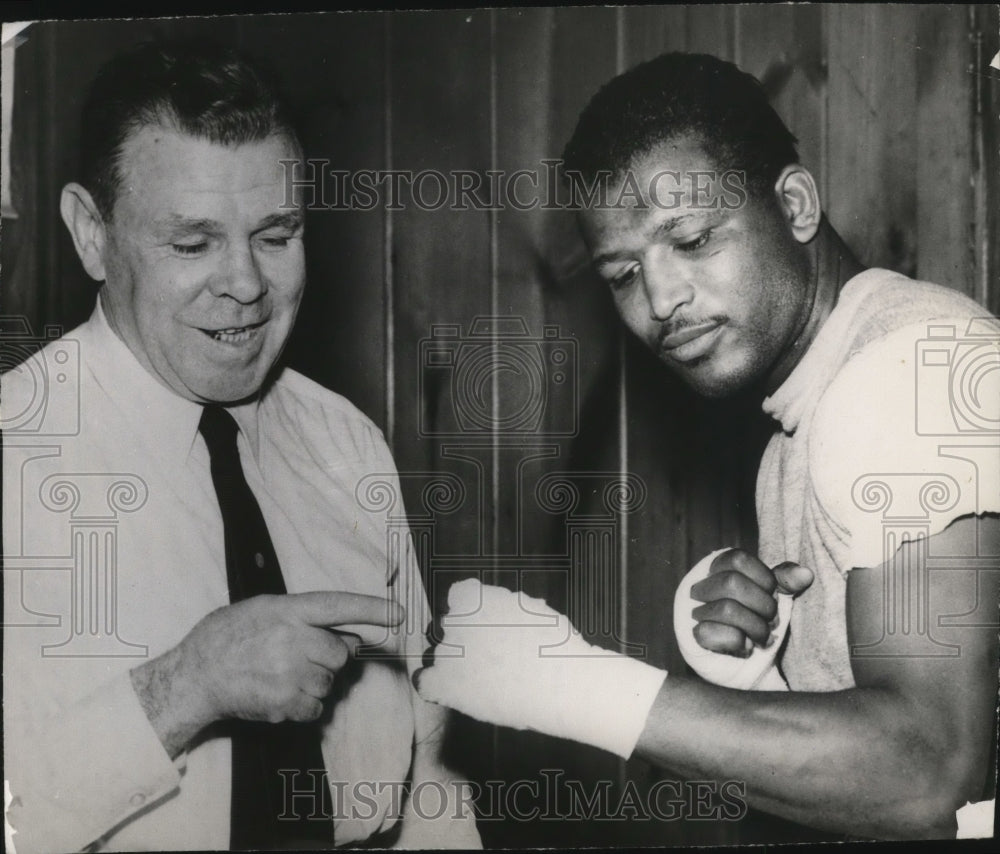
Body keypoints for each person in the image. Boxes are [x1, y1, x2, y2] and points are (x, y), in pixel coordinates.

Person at [415, 52, 1000, 841]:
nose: (660, 301)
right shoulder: (801, 423)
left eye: (690, 239)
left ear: (794, 205)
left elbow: (931, 773)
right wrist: (757, 673)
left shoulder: (903, 370)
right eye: (623, 273)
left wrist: (571, 684)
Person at [2, 40, 480, 852]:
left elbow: (428, 770)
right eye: (192, 244)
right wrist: (187, 687)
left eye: (275, 234)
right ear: (90, 233)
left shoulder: (348, 445)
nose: (247, 285)